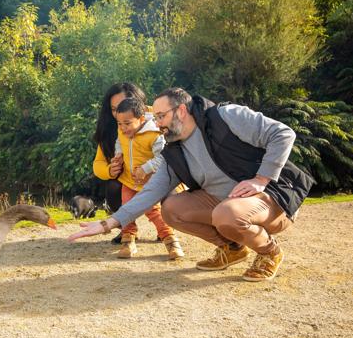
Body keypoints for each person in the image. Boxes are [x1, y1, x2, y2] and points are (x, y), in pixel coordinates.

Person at [70, 87, 315, 282]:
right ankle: (232, 248)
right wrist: (108, 223)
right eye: (154, 118)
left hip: (271, 200)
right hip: (228, 206)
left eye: (161, 116)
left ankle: (269, 252)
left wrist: (262, 178)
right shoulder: (173, 151)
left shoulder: (225, 116)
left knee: (226, 213)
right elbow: (150, 193)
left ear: (182, 111)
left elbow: (283, 134)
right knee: (171, 208)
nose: (157, 124)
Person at [112, 97, 184, 259]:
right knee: (126, 207)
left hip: (149, 182)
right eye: (119, 124)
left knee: (153, 211)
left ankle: (170, 240)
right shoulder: (122, 132)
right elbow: (119, 142)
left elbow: (163, 157)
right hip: (129, 180)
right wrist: (118, 154)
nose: (123, 128)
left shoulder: (154, 134)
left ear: (142, 119)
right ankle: (128, 238)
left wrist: (145, 169)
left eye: (127, 123)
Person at [92, 82, 147, 244]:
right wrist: (110, 170)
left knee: (166, 191)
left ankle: (165, 230)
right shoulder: (109, 129)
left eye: (123, 106)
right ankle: (128, 229)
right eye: (114, 109)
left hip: (156, 178)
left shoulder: (155, 118)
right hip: (128, 181)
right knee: (114, 188)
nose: (118, 114)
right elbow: (98, 164)